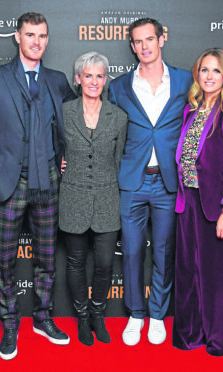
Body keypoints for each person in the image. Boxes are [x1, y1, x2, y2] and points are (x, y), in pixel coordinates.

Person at [0, 12, 76, 360]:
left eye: (42, 35)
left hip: (48, 181)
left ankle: (43, 318)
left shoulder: (57, 81)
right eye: (30, 34)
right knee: (4, 260)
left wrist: (62, 155)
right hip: (6, 185)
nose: (37, 41)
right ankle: (10, 323)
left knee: (46, 257)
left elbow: (70, 124)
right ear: (17, 37)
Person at [108, 18, 192, 346]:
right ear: (132, 46)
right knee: (130, 251)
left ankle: (157, 314)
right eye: (138, 41)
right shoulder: (118, 86)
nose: (144, 46)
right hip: (132, 181)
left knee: (163, 250)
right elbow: (108, 133)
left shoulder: (186, 80)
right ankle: (136, 314)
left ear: (161, 40)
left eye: (149, 40)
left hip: (169, 182)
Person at [172, 48, 223, 356]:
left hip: (215, 205)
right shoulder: (191, 110)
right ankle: (191, 334)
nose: (209, 76)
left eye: (216, 71)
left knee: (216, 274)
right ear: (197, 74)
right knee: (187, 270)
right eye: (204, 70)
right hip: (187, 200)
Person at [59, 52, 127, 346]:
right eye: (88, 75)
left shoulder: (119, 117)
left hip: (107, 199)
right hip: (72, 197)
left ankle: (99, 315)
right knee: (75, 263)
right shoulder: (63, 112)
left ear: (105, 80)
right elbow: (52, 149)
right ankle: (82, 318)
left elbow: (118, 160)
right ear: (78, 78)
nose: (94, 81)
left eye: (100, 76)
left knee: (104, 264)